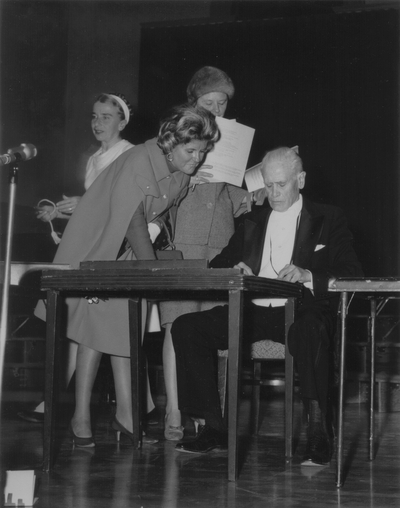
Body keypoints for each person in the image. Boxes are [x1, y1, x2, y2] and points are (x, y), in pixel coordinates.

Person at [35, 104, 220, 447]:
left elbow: (161, 214)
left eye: (203, 151)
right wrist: (150, 271)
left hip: (125, 250)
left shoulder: (182, 171)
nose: (198, 158)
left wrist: (156, 230)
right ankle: (85, 414)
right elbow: (131, 218)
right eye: (191, 150)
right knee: (93, 326)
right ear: (169, 143)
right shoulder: (139, 160)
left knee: (115, 327)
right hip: (95, 247)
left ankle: (120, 415)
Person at [171, 146, 363, 466]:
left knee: (312, 328)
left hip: (303, 308)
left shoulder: (329, 217)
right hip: (254, 310)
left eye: (281, 185)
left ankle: (318, 430)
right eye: (268, 186)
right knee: (187, 327)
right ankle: (212, 428)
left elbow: (352, 272)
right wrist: (233, 270)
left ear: (300, 180)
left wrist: (308, 273)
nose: (273, 194)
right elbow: (220, 264)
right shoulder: (253, 220)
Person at [160, 66, 264, 441]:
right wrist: (186, 176)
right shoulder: (178, 131)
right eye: (210, 102)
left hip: (222, 241)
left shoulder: (228, 140)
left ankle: (208, 418)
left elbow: (230, 198)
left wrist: (252, 192)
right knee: (176, 327)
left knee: (212, 333)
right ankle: (174, 411)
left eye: (223, 103)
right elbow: (158, 189)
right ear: (193, 101)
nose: (218, 109)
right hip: (183, 243)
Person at [19, 92, 136, 424]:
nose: (97, 123)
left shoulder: (128, 155)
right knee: (73, 325)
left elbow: (119, 208)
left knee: (91, 328)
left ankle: (71, 407)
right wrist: (58, 211)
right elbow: (89, 211)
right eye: (94, 116)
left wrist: (82, 204)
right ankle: (53, 403)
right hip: (85, 244)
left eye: (106, 117)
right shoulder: (94, 158)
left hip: (109, 250)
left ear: (123, 121)